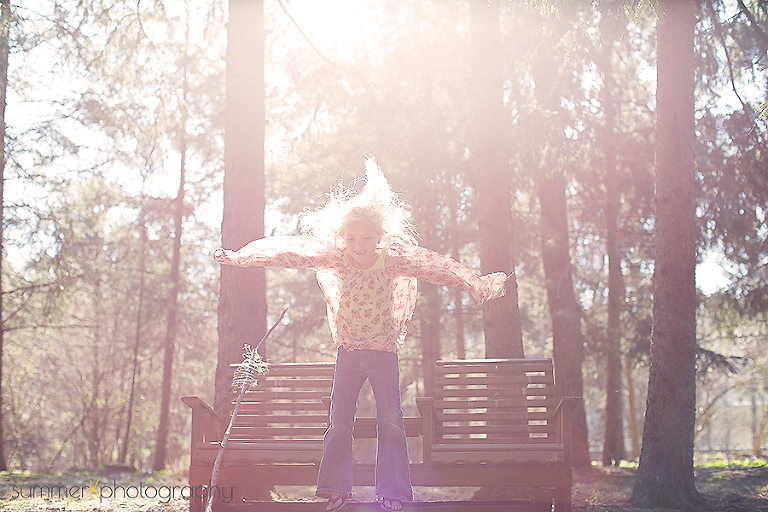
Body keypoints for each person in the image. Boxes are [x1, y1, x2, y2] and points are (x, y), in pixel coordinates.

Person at [213, 157, 509, 512]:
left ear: (379, 238)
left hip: (384, 355)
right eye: (351, 238)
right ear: (342, 239)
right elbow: (290, 253)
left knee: (391, 421)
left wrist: (476, 284)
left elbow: (436, 268)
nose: (358, 244)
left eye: (366, 238)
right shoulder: (337, 259)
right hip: (349, 354)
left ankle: (392, 493)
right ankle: (337, 491)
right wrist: (241, 258)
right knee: (339, 422)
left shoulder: (392, 261)